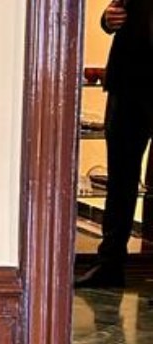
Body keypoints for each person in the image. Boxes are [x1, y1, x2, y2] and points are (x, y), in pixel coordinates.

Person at [76, 0, 152, 288]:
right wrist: (108, 19)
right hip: (128, 82)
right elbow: (120, 10)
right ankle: (109, 264)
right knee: (121, 179)